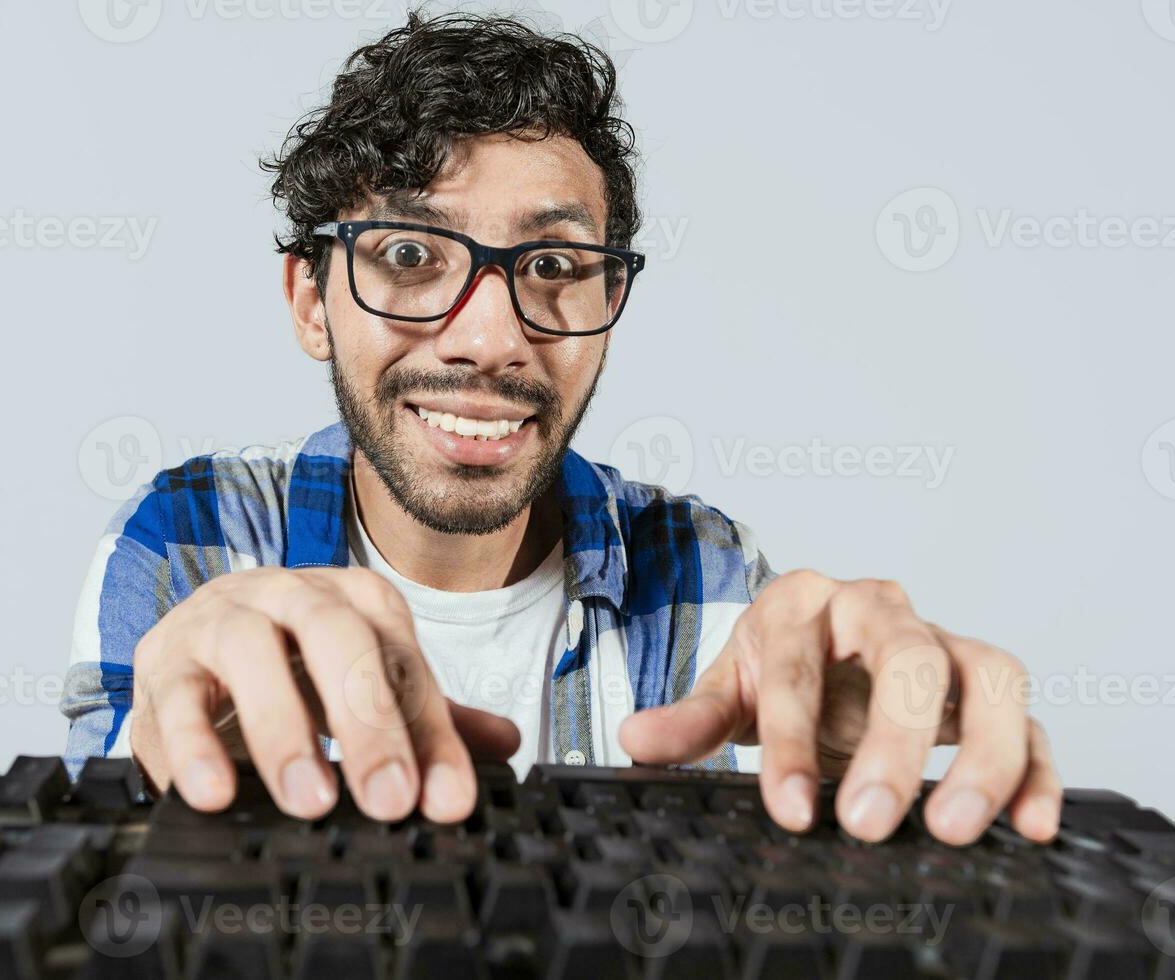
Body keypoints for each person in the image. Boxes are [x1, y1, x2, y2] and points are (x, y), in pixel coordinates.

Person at [60, 10, 1060, 848]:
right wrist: (173, 777)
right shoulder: (188, 533)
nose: (491, 337)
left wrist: (849, 823)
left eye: (551, 267)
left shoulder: (702, 569)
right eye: (411, 252)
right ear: (312, 300)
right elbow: (99, 896)